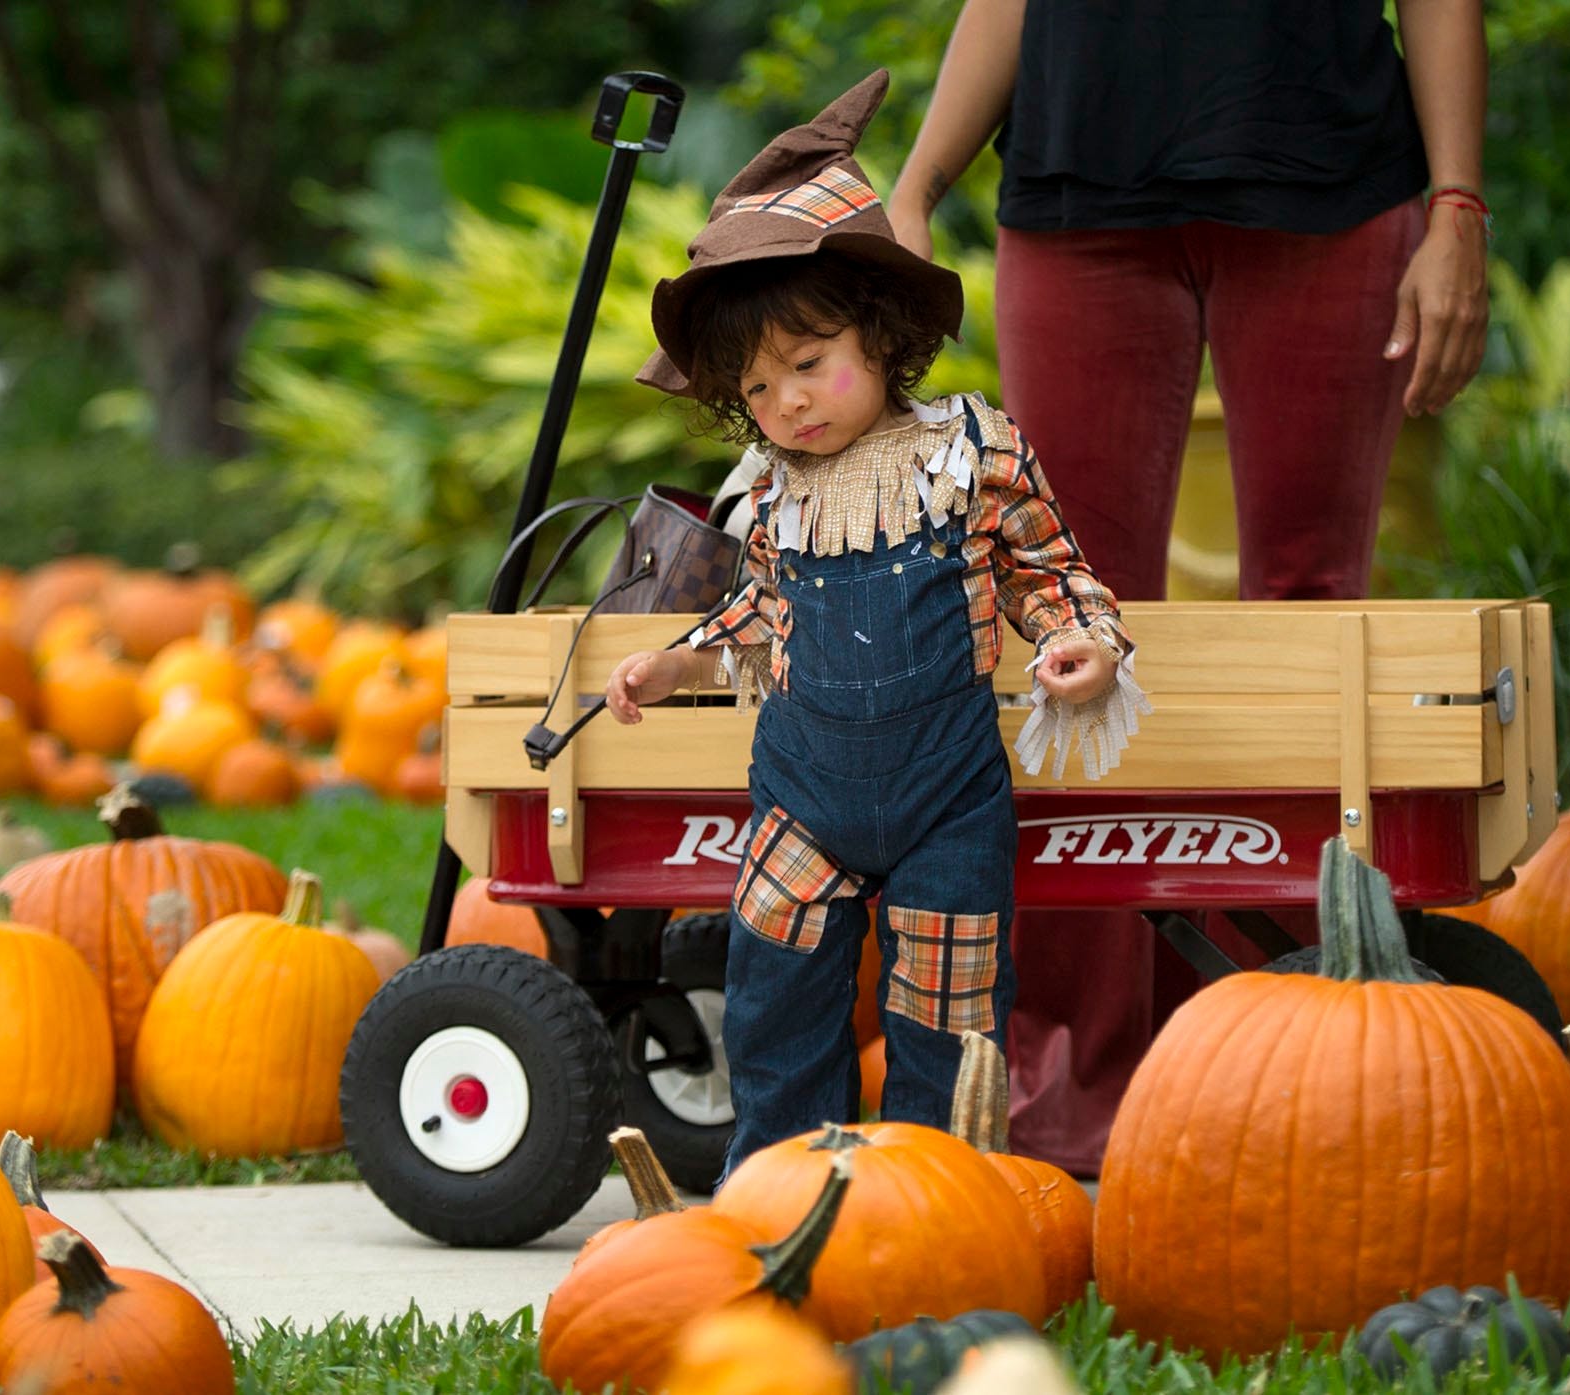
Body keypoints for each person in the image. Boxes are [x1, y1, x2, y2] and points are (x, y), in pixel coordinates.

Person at [880, 0, 1490, 1174]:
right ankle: (1078, 1086)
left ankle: (1297, 1058)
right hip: (1077, 196)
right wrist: (917, 186)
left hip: (1329, 183)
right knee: (1070, 630)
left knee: (1310, 615)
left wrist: (1456, 206)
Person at [605, 70, 1149, 1180]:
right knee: (775, 1006)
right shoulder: (773, 493)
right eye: (758, 390)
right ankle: (778, 1192)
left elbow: (1048, 571)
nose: (789, 403)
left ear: (883, 338)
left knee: (947, 1024)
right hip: (802, 796)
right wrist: (676, 663)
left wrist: (1079, 645)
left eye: (810, 365)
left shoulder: (969, 455)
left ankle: (930, 1199)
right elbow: (764, 608)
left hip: (946, 801)